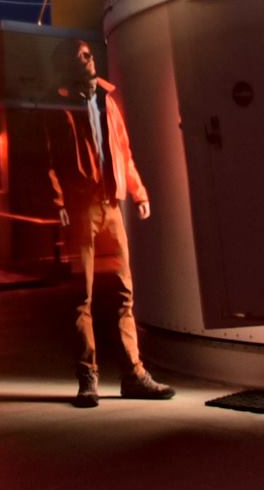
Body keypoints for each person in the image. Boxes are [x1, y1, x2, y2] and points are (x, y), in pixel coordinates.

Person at [44, 39, 175, 408]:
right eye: (80, 57)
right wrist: (58, 203)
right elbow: (51, 159)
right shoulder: (61, 107)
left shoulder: (109, 102)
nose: (88, 61)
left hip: (111, 206)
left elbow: (124, 151)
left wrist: (140, 192)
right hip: (83, 210)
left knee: (123, 293)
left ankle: (133, 374)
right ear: (69, 65)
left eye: (89, 55)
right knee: (81, 298)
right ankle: (88, 379)